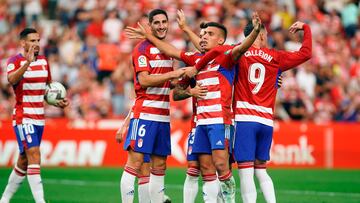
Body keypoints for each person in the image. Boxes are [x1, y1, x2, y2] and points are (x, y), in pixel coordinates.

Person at [126, 11, 261, 203]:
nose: (204, 36)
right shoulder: (196, 60)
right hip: (200, 124)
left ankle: (228, 198)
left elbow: (243, 48)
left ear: (221, 40)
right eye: (203, 34)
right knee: (203, 168)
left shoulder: (227, 56)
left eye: (209, 34)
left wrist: (254, 32)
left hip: (220, 121)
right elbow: (172, 54)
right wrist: (149, 35)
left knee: (222, 165)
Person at [191, 20, 312, 203]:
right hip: (266, 120)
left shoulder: (239, 54)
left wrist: (196, 66)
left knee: (246, 173)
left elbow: (214, 51)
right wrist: (306, 28)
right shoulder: (276, 56)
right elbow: (306, 53)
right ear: (262, 35)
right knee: (261, 170)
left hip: (244, 118)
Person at [119, 9, 185, 203]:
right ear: (150, 26)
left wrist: (186, 82)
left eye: (164, 22)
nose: (162, 26)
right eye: (157, 23)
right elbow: (145, 80)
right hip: (145, 114)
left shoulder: (167, 49)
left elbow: (167, 83)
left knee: (160, 165)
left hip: (163, 116)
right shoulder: (142, 49)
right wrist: (173, 74)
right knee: (136, 163)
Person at [0, 28, 69, 203]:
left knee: (24, 161)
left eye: (38, 40)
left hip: (40, 117)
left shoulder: (44, 62)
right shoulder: (14, 61)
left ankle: (4, 199)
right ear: (23, 43)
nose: (36, 44)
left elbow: (47, 88)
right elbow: (11, 80)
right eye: (32, 41)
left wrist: (57, 101)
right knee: (34, 154)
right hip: (23, 117)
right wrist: (27, 64)